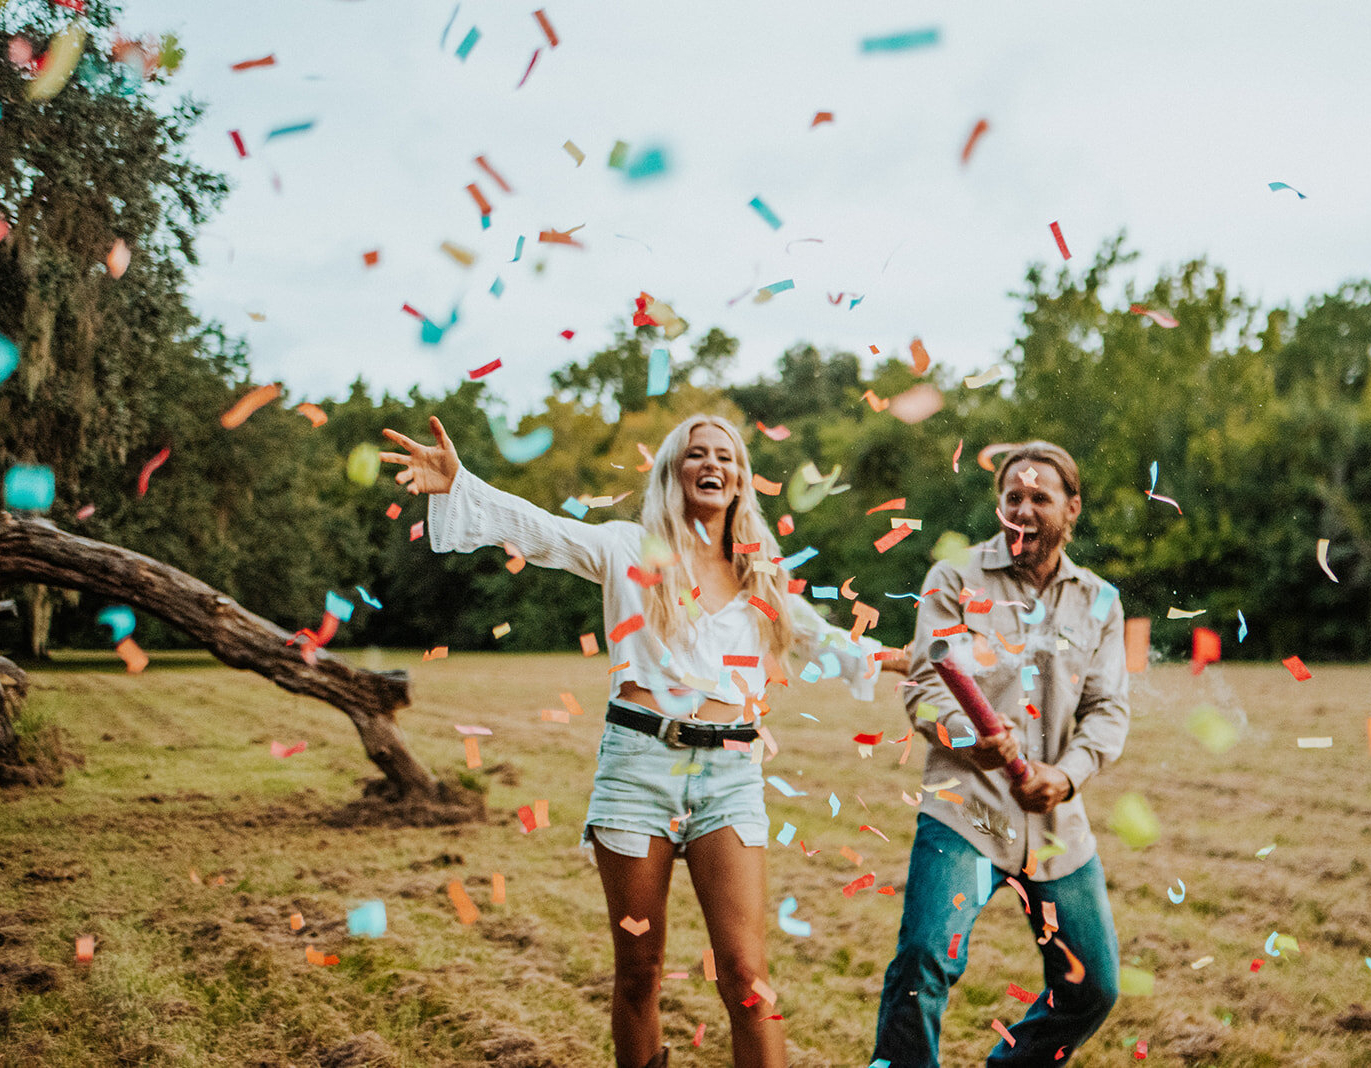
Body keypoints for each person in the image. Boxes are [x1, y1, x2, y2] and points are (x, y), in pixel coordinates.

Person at [381, 414, 891, 1068]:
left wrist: (890, 658)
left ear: (739, 478)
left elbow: (822, 634)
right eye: (696, 454)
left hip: (729, 776)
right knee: (639, 972)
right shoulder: (627, 548)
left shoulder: (760, 573)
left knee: (744, 974)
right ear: (674, 472)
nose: (713, 464)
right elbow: (543, 531)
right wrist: (461, 483)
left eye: (726, 456)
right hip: (637, 770)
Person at [872, 441, 1130, 1066]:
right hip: (967, 808)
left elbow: (1108, 709)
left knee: (1092, 987)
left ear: (1072, 508)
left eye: (1040, 497)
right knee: (923, 964)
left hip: (1055, 824)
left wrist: (1064, 778)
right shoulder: (954, 580)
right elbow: (925, 686)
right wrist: (969, 741)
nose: (1023, 508)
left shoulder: (1100, 600)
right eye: (1013, 496)